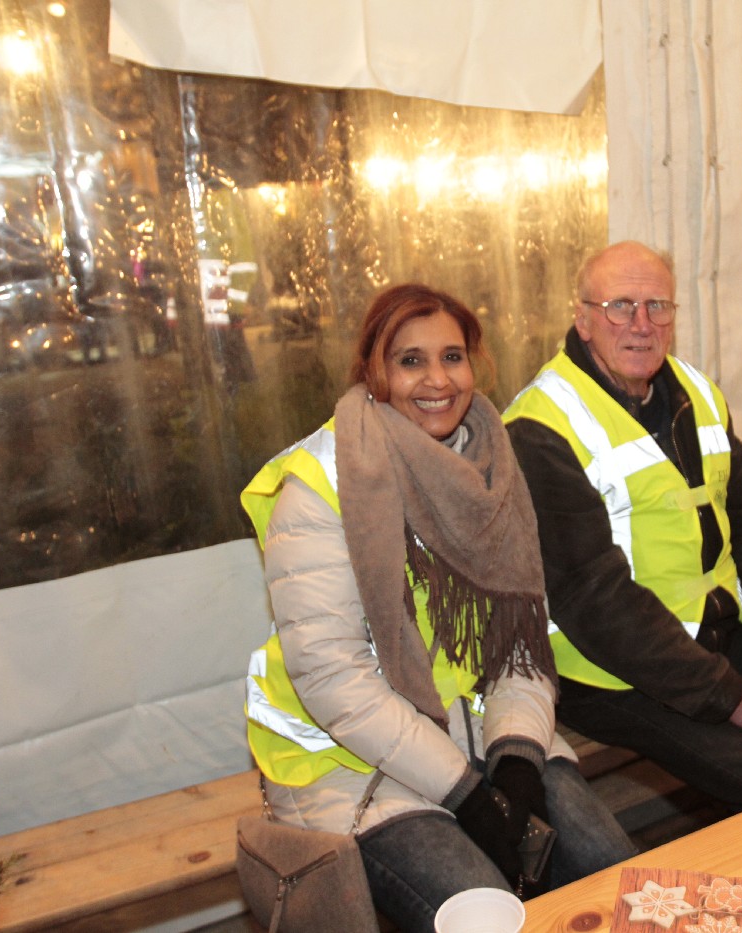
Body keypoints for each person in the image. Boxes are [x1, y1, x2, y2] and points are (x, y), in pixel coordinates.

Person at [241, 283, 636, 933]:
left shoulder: (491, 463)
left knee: (619, 883)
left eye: (452, 357)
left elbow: (520, 641)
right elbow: (332, 678)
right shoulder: (318, 488)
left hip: (477, 733)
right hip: (351, 765)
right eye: (410, 360)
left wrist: (517, 761)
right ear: (373, 371)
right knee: (490, 915)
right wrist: (469, 795)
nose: (437, 380)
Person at [504, 241, 742, 812]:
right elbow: (594, 600)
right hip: (615, 673)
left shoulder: (697, 393)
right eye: (620, 306)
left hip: (720, 643)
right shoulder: (540, 427)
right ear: (583, 320)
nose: (642, 324)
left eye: (658, 306)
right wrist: (731, 699)